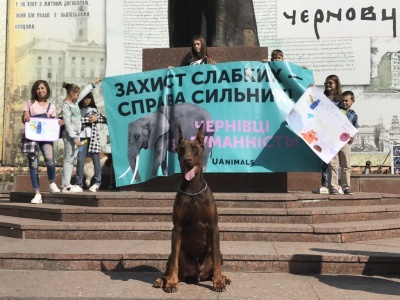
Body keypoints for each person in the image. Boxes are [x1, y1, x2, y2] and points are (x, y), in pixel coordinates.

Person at [22, 80, 61, 204]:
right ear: (35, 90)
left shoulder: (52, 106)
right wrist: (26, 116)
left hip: (46, 137)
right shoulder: (30, 103)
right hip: (32, 137)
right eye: (38, 88)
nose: (40, 90)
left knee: (50, 161)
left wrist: (60, 122)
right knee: (34, 165)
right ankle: (37, 193)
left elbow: (54, 123)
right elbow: (24, 117)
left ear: (47, 89)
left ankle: (52, 182)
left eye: (43, 88)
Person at [61, 77, 101, 193]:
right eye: (77, 95)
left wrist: (93, 84)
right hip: (70, 136)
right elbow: (67, 124)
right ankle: (65, 185)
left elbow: (83, 93)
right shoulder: (66, 106)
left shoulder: (74, 103)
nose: (79, 97)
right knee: (69, 159)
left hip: (76, 136)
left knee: (72, 158)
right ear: (72, 94)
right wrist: (74, 138)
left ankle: (67, 184)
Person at [312, 75, 343, 194]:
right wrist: (312, 91)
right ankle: (325, 184)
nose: (328, 85)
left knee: (336, 161)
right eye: (326, 83)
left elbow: (344, 115)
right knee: (325, 159)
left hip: (335, 133)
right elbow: (313, 106)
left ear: (336, 84)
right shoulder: (322, 96)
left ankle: (336, 184)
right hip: (323, 132)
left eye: (331, 83)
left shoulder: (340, 99)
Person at [75, 92, 107, 192]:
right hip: (82, 139)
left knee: (96, 160)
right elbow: (76, 120)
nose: (87, 100)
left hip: (93, 138)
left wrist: (97, 118)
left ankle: (97, 182)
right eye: (85, 98)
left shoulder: (94, 110)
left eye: (89, 98)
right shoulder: (77, 109)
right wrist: (87, 120)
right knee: (80, 160)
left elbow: (104, 119)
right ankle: (79, 183)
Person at [328, 91, 359, 195]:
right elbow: (324, 103)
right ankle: (333, 187)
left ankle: (346, 187)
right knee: (333, 164)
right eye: (342, 100)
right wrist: (313, 90)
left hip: (345, 142)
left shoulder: (353, 114)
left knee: (346, 165)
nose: (344, 103)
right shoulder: (335, 108)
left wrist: (353, 135)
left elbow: (355, 127)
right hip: (333, 139)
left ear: (352, 101)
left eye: (346, 101)